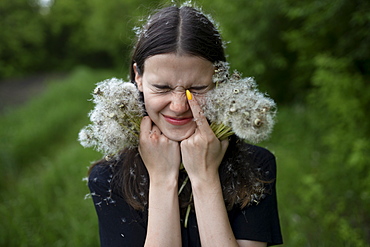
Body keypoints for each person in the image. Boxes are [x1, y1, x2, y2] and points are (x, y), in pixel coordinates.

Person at [87, 5, 283, 247]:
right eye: (162, 88)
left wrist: (204, 178)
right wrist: (162, 178)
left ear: (218, 79)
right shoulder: (108, 179)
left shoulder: (255, 167)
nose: (179, 106)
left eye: (197, 89)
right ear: (138, 76)